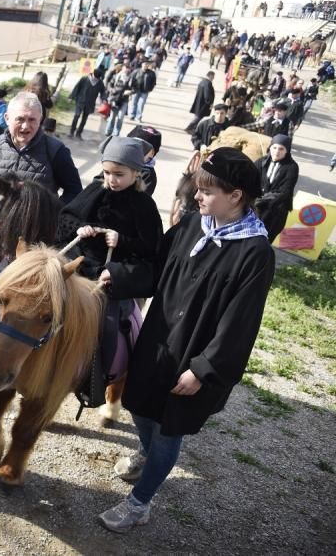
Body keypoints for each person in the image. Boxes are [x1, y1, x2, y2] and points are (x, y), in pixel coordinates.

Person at [100, 147, 274, 533]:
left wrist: (203, 370)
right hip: (159, 342)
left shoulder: (255, 252)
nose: (197, 196)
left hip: (194, 358)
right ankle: (146, 453)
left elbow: (239, 323)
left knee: (168, 429)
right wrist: (119, 277)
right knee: (141, 410)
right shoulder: (194, 224)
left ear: (236, 196)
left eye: (208, 191)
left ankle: (139, 503)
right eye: (198, 188)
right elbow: (158, 268)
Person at [0, 92, 82, 372]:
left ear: (41, 121)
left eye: (32, 120)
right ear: (7, 118)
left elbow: (74, 192)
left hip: (31, 242)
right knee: (5, 290)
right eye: (20, 119)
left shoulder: (56, 153)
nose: (25, 126)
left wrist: (51, 215)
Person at [56, 137, 162, 398]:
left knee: (107, 324)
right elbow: (66, 217)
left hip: (112, 273)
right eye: (107, 172)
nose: (111, 179)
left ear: (137, 173)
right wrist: (80, 227)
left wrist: (121, 240)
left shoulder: (144, 206)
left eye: (119, 174)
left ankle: (97, 378)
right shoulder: (94, 191)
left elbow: (151, 248)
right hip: (82, 263)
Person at [254, 134, 299, 242]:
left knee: (264, 239)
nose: (277, 151)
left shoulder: (292, 167)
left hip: (275, 210)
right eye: (274, 148)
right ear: (270, 148)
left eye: (281, 149)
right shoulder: (261, 162)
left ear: (287, 151)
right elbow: (250, 179)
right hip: (256, 207)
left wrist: (264, 200)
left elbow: (286, 191)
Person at [68, 69, 106, 140]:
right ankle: (71, 132)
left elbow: (103, 91)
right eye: (95, 77)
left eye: (98, 78)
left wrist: (103, 99)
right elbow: (77, 87)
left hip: (90, 103)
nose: (96, 79)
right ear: (93, 74)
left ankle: (79, 133)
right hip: (80, 100)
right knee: (77, 116)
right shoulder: (85, 79)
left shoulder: (100, 82)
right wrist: (71, 97)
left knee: (84, 119)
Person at [127, 125, 162, 195]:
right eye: (133, 144)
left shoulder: (148, 175)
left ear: (152, 154)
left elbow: (141, 200)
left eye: (144, 148)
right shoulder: (118, 160)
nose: (137, 150)